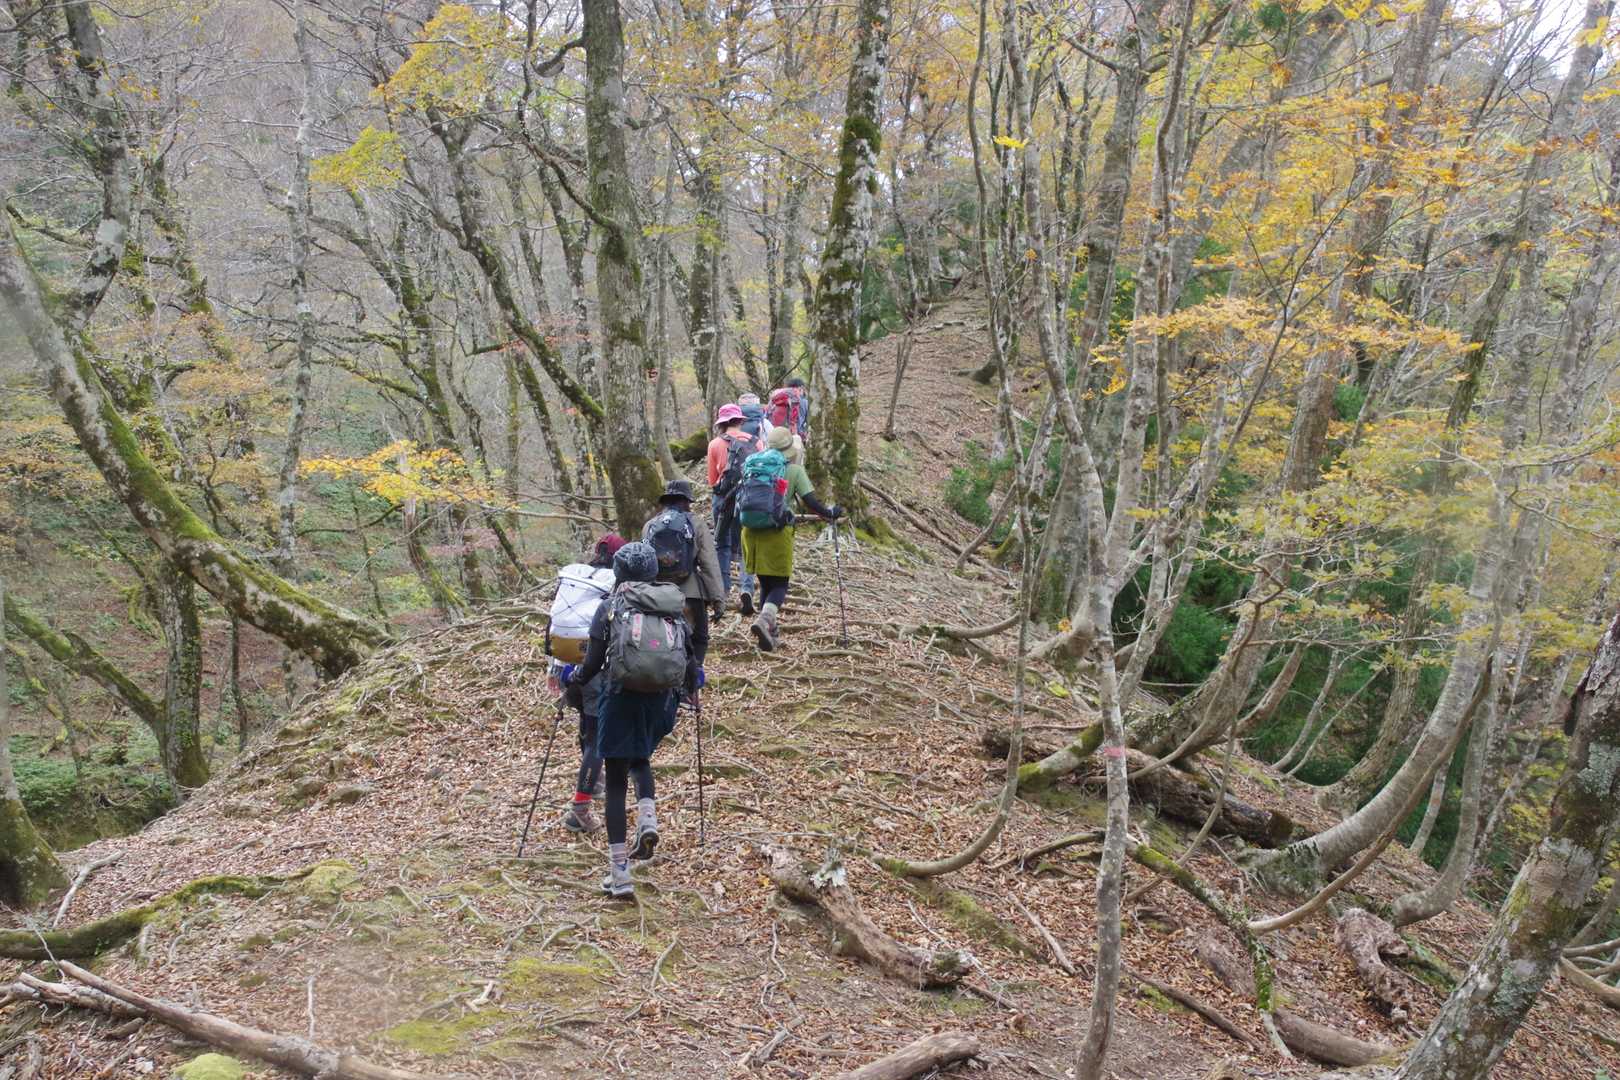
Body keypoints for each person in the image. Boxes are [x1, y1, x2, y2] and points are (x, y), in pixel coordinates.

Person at [559, 542, 698, 899]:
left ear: (619, 572)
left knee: (617, 783)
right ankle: (648, 819)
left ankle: (620, 874)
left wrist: (572, 678)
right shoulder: (672, 605)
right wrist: (691, 689)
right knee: (641, 760)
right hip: (660, 703)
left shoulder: (609, 607)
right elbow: (690, 660)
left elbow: (592, 664)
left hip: (620, 698)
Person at [742, 426, 840, 651]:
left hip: (750, 531)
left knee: (766, 581)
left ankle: (770, 634)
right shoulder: (794, 470)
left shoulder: (752, 466)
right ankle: (765, 620)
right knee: (780, 583)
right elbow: (811, 502)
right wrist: (831, 512)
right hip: (777, 532)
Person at [555, 533, 623, 833]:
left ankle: (594, 782)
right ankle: (579, 811)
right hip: (595, 671)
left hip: (567, 668)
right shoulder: (614, 585)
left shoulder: (577, 579)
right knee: (597, 740)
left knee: (586, 724)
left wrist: (555, 670)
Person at [643, 479, 725, 667]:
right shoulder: (696, 524)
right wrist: (718, 600)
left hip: (658, 595)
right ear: (687, 501)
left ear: (665, 501)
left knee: (659, 641)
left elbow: (645, 565)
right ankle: (694, 679)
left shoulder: (650, 526)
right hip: (690, 594)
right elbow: (709, 564)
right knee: (700, 639)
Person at [707, 404, 764, 614]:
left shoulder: (715, 444)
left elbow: (712, 480)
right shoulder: (756, 442)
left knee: (722, 543)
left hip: (723, 500)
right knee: (746, 544)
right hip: (749, 498)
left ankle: (723, 590)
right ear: (740, 421)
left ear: (722, 423)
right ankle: (746, 588)